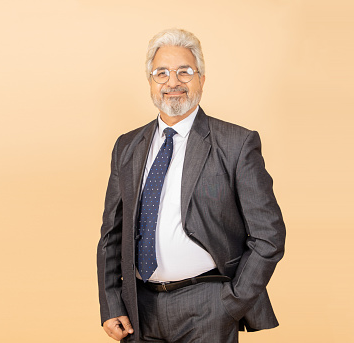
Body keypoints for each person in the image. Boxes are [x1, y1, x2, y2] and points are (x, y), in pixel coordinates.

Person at [97, 28, 286, 343]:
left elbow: (269, 235)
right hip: (138, 310)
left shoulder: (236, 143)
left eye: (184, 72)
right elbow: (111, 234)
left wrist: (231, 302)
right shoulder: (127, 146)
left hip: (208, 306)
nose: (173, 82)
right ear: (150, 82)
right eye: (162, 73)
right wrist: (111, 302)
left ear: (201, 79)